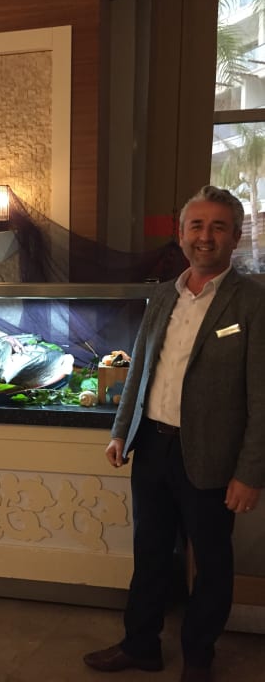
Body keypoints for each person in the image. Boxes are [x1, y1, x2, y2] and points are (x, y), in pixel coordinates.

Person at [83, 186, 265, 682]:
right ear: (180, 234)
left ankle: (199, 658)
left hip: (213, 458)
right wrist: (121, 431)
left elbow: (262, 398)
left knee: (212, 564)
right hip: (152, 447)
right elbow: (142, 369)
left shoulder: (253, 302)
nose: (206, 236)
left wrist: (250, 473)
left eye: (218, 227)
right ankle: (140, 645)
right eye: (196, 226)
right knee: (149, 555)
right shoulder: (163, 294)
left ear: (236, 236)